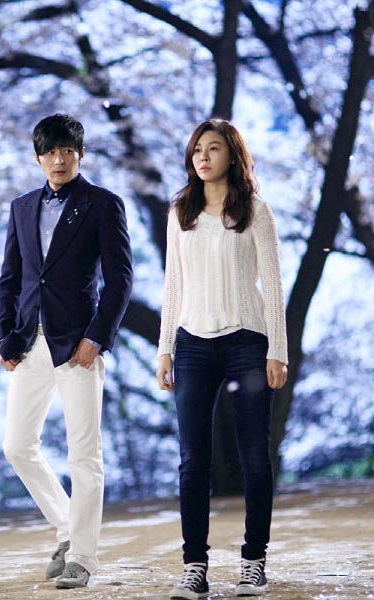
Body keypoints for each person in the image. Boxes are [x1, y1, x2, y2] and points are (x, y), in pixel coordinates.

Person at [0, 113, 133, 589]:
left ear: (81, 154)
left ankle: (83, 558)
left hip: (78, 346)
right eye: (51, 152)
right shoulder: (22, 207)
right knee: (17, 446)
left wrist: (97, 337)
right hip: (29, 343)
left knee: (84, 455)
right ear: (38, 158)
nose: (59, 159)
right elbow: (10, 279)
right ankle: (67, 527)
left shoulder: (103, 204)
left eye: (68, 151)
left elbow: (120, 280)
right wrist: (3, 337)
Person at [156, 119, 288, 598]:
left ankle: (254, 562)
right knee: (193, 461)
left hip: (247, 343)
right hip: (192, 344)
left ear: (232, 154)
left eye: (213, 149)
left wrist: (278, 350)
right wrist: (165, 348)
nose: (203, 157)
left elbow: (273, 282)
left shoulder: (255, 209)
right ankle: (194, 567)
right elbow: (173, 285)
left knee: (255, 456)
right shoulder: (181, 210)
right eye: (197, 150)